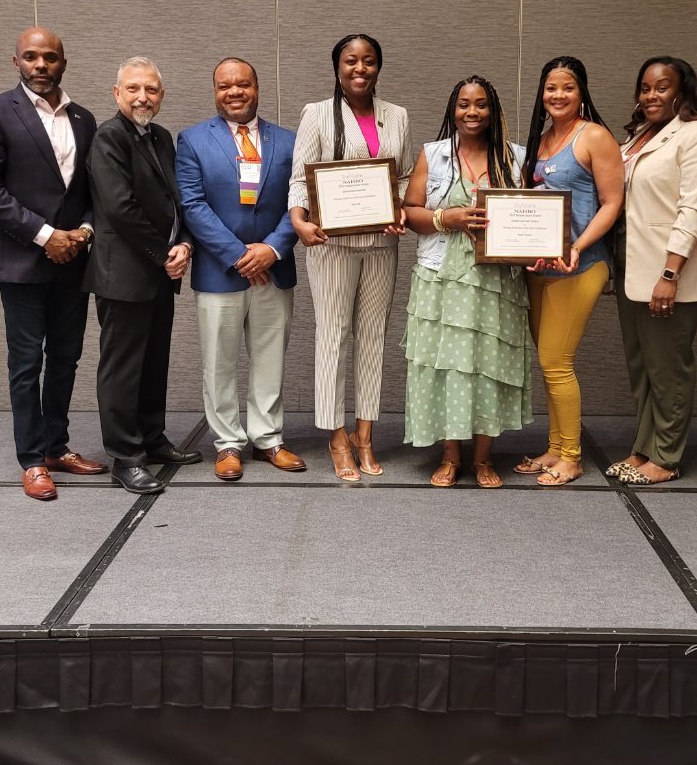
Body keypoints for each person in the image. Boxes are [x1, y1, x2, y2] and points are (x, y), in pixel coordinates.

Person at [0, 27, 105, 501]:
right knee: (26, 364)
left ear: (64, 62)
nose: (40, 65)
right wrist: (46, 235)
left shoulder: (85, 119)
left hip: (75, 258)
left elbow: (91, 193)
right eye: (31, 57)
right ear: (16, 61)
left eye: (50, 57)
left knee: (66, 357)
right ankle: (31, 459)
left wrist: (83, 232)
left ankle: (56, 446)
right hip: (22, 259)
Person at [289, 33, 413, 481]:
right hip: (330, 245)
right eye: (350, 61)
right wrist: (299, 222)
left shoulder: (396, 116)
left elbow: (401, 178)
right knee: (334, 335)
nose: (359, 69)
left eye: (368, 61)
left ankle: (365, 434)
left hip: (382, 244)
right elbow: (300, 179)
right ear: (337, 66)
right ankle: (337, 435)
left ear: (379, 67)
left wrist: (400, 209)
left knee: (374, 336)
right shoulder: (317, 114)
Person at [176, 57, 304, 482]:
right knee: (219, 361)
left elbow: (301, 200)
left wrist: (272, 248)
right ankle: (227, 443)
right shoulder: (192, 140)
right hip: (220, 272)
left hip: (274, 268)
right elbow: (192, 205)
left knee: (270, 357)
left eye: (243, 84)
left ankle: (268, 438)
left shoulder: (289, 141)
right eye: (225, 86)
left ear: (257, 87)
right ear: (215, 91)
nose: (235, 92)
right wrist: (238, 254)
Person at [403, 75, 532, 489]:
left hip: (496, 279)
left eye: (480, 105)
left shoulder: (515, 158)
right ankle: (449, 456)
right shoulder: (434, 154)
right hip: (442, 276)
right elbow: (410, 212)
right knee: (448, 367)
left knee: (486, 366)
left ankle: (482, 459)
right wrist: (449, 218)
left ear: (493, 111)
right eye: (463, 104)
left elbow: (530, 217)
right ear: (452, 110)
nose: (471, 112)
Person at [606, 57, 697, 485]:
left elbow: (694, 209)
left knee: (669, 366)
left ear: (682, 90)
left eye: (661, 87)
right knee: (641, 363)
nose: (651, 95)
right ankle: (644, 448)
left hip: (669, 272)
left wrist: (671, 273)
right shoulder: (638, 136)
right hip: (630, 267)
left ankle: (667, 455)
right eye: (645, 87)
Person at [84, 57, 201, 495]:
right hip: (124, 274)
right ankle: (125, 457)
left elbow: (178, 201)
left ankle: (152, 440)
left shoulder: (161, 137)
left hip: (158, 271)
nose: (142, 97)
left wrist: (184, 243)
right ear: (117, 93)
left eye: (151, 90)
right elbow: (120, 209)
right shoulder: (109, 137)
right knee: (122, 368)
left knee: (154, 363)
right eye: (133, 88)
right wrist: (163, 254)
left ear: (162, 96)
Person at [513, 56, 623, 487]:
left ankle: (572, 456)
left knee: (557, 362)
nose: (558, 96)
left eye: (568, 88)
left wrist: (577, 245)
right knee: (548, 362)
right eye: (551, 88)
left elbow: (612, 202)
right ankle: (555, 448)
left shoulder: (593, 135)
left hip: (581, 266)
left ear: (582, 93)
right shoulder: (540, 140)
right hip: (540, 268)